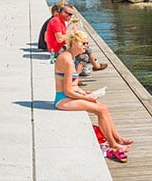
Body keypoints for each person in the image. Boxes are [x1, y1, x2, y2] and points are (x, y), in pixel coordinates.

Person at [55, 31, 132, 163]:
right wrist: (86, 98)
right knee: (100, 110)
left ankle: (117, 138)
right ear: (74, 43)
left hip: (70, 96)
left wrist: (84, 93)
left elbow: (74, 85)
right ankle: (113, 144)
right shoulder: (67, 60)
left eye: (86, 44)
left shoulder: (72, 58)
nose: (85, 46)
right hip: (63, 100)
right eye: (83, 43)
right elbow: (67, 90)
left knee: (103, 107)